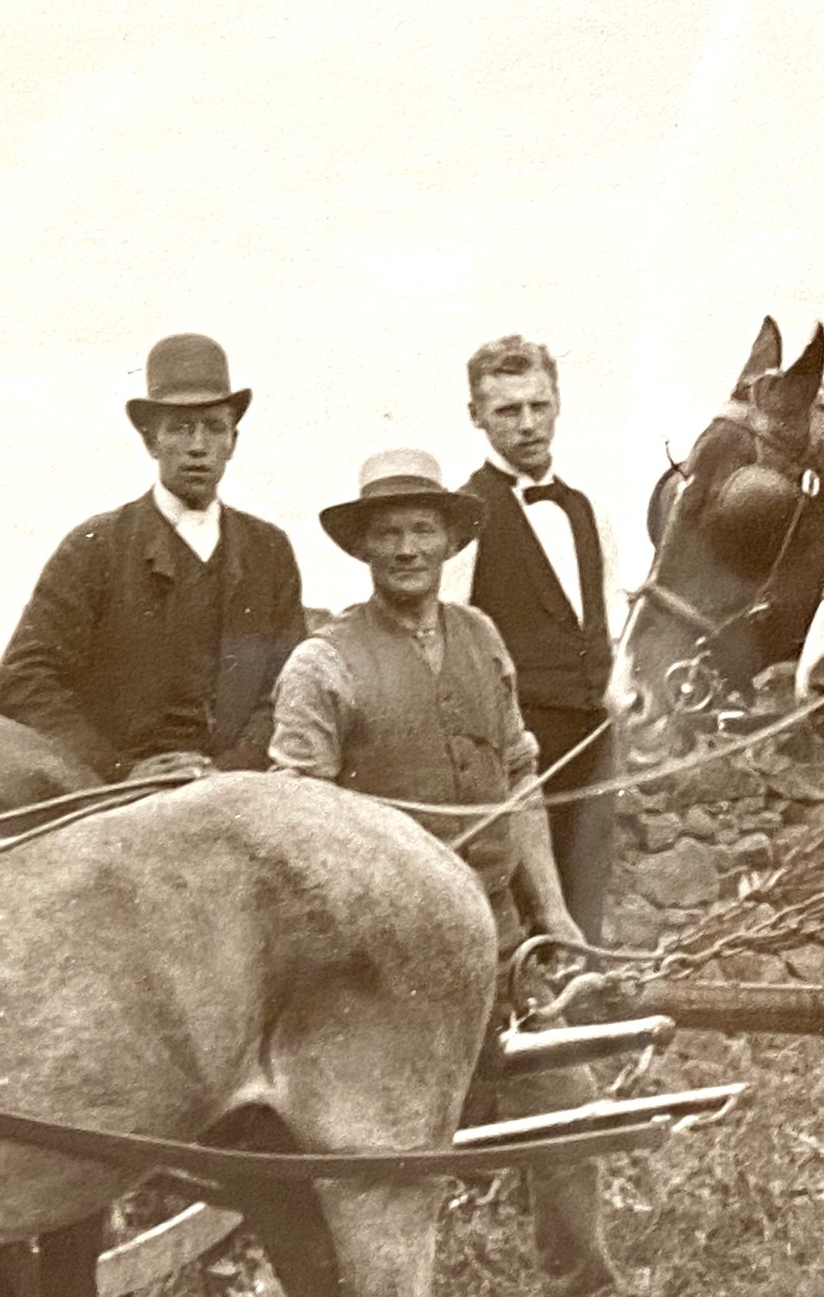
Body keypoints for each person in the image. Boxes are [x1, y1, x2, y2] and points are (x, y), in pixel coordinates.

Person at [272, 449, 618, 1297]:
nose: (405, 547)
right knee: (390, 1163)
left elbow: (520, 774)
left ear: (448, 540)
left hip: (498, 936)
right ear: (362, 549)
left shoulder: (482, 637)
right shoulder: (323, 665)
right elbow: (296, 827)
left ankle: (587, 1284)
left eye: (421, 528)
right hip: (384, 965)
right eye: (387, 532)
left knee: (569, 1109)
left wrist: (554, 912)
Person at [0, 334, 305, 781]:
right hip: (111, 795)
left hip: (236, 791)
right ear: (150, 441)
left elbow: (287, 685)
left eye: (214, 427)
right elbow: (24, 682)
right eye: (180, 427)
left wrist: (229, 771)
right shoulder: (94, 546)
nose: (199, 446)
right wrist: (117, 769)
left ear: (232, 442)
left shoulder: (268, 551)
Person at [447, 336, 621, 945]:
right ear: (476, 417)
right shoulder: (464, 512)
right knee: (523, 921)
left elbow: (607, 623)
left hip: (595, 743)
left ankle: (589, 1032)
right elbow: (448, 635)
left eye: (538, 406)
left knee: (587, 911)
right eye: (506, 411)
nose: (527, 425)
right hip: (514, 754)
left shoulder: (586, 508)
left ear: (557, 403)